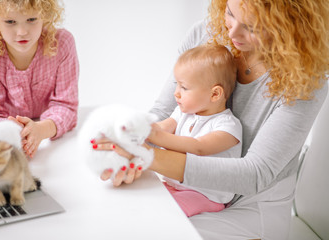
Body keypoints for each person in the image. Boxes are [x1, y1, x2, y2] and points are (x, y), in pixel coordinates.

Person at [94, 0, 329, 239]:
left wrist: (148, 156)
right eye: (230, 13)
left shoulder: (307, 79)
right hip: (185, 189)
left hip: (250, 211)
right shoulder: (204, 34)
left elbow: (256, 173)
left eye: (253, 26)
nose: (233, 31)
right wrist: (130, 147)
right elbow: (165, 112)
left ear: (289, 26)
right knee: (117, 217)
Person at [0, 0, 79, 158]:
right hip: (5, 133)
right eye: (10, 21)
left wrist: (41, 129)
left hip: (48, 133)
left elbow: (66, 106)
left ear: (45, 16)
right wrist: (13, 135)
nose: (21, 32)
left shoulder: (62, 43)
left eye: (31, 20)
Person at [147, 43, 242, 217]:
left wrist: (156, 136)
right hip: (177, 185)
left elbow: (199, 147)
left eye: (184, 87)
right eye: (177, 85)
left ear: (215, 94)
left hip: (206, 195)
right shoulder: (184, 113)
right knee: (146, 198)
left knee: (166, 213)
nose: (176, 93)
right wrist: (141, 130)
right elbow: (163, 127)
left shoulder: (228, 126)